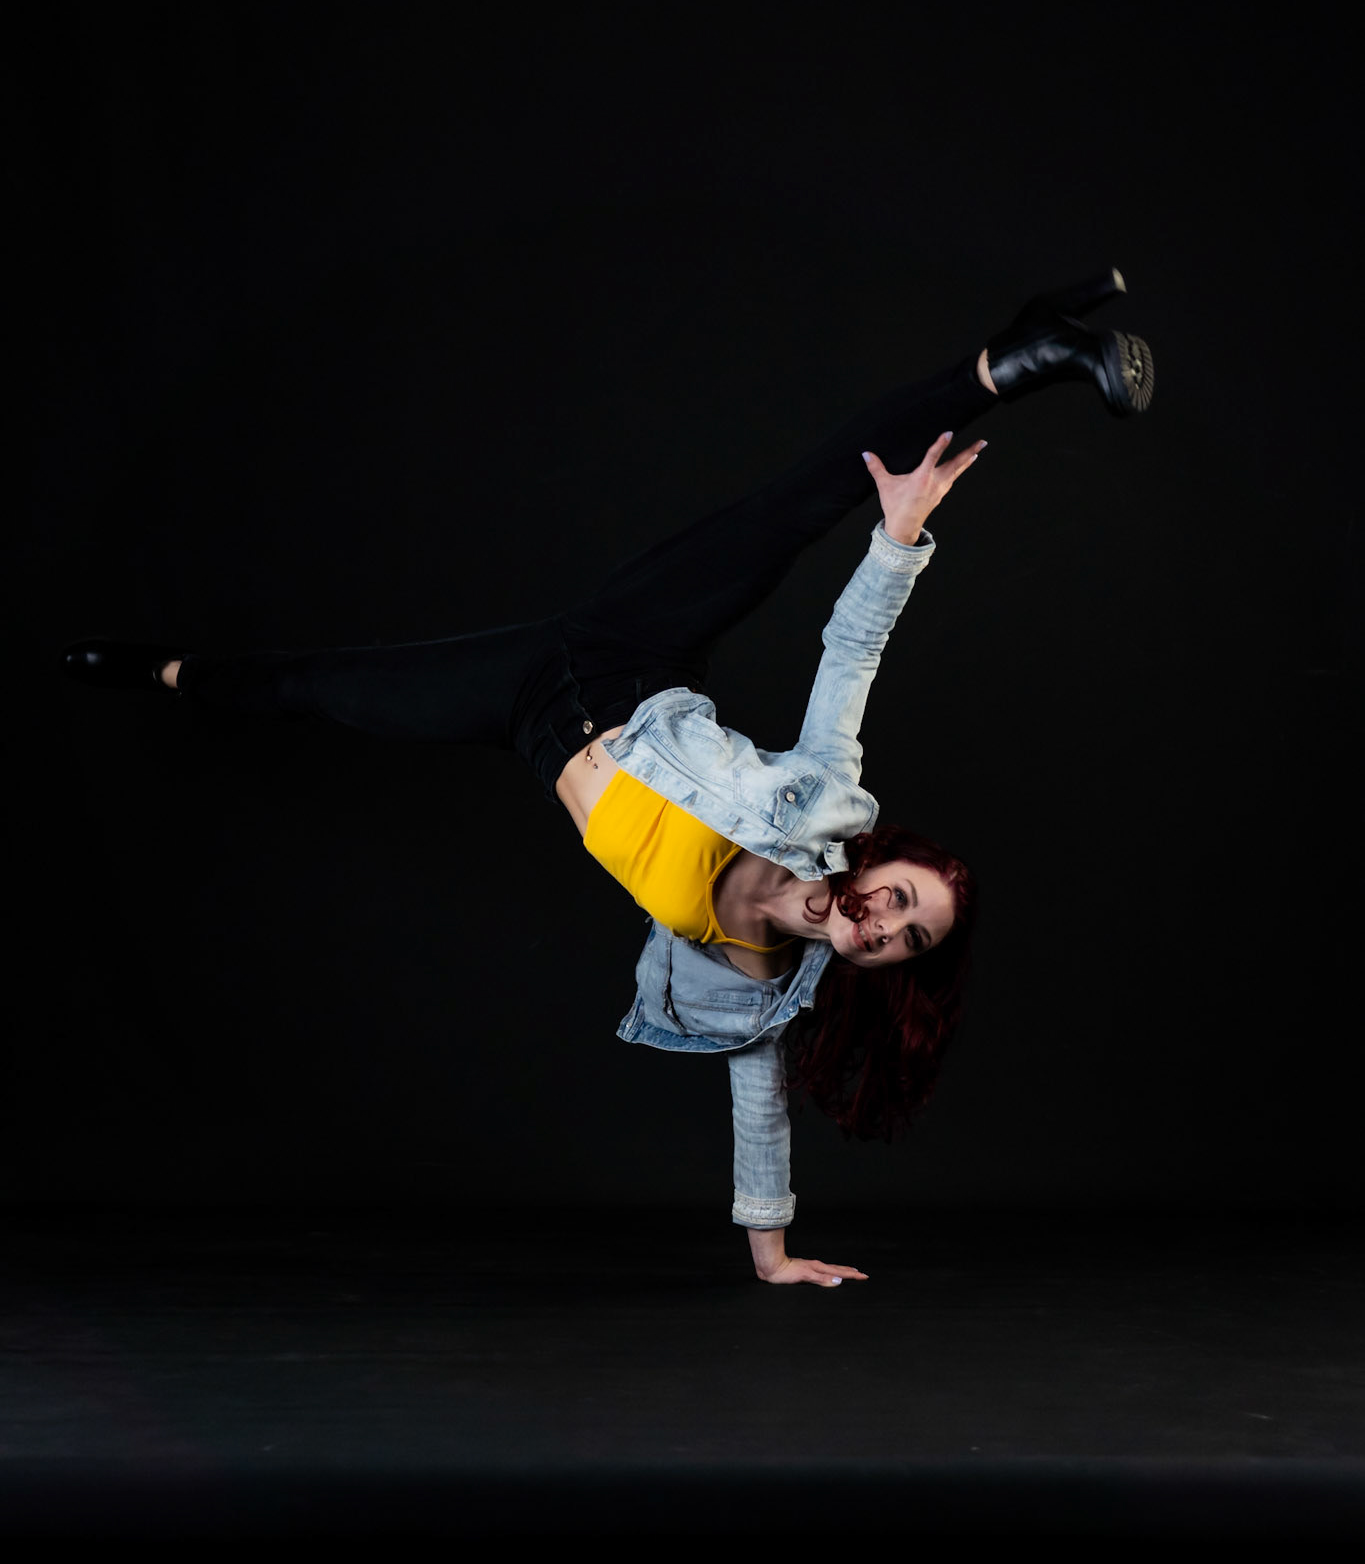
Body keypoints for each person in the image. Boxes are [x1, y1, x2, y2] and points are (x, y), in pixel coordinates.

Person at [64, 269, 1154, 1286]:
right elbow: (849, 655)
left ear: (884, 969)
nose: (885, 925)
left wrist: (772, 1255)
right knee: (795, 506)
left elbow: (760, 1110)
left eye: (907, 941)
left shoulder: (751, 989)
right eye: (904, 899)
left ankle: (170, 671)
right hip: (629, 655)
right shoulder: (826, 801)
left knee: (330, 688)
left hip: (528, 713)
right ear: (882, 862)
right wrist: (899, 541)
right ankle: (1015, 361)